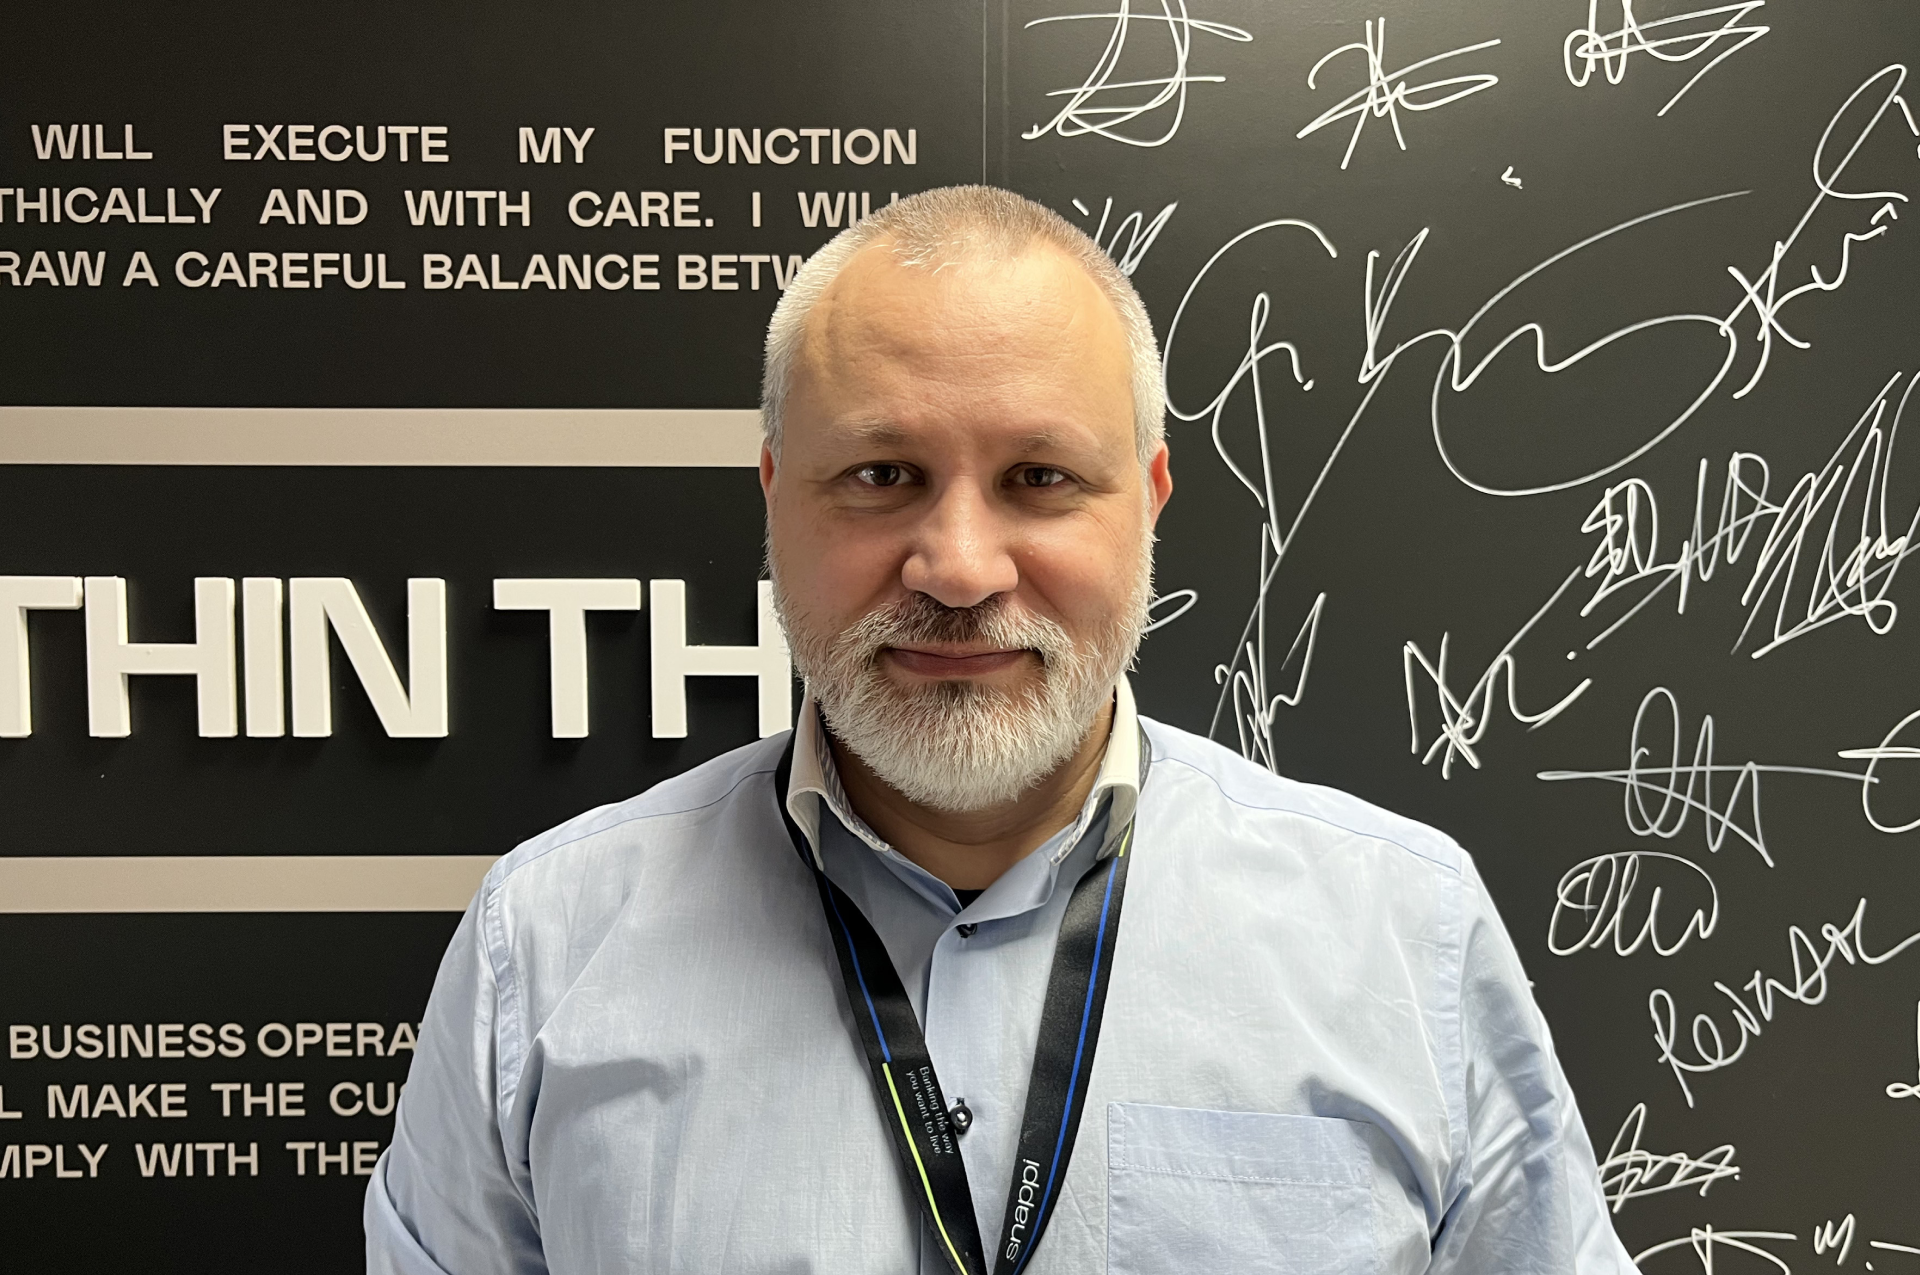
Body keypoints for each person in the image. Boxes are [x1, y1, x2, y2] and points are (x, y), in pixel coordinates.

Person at [365, 185, 1634, 1274]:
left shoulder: (1402, 934)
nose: (961, 567)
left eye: (1040, 479)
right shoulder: (543, 951)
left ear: (1147, 500)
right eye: (882, 476)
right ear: (776, 498)